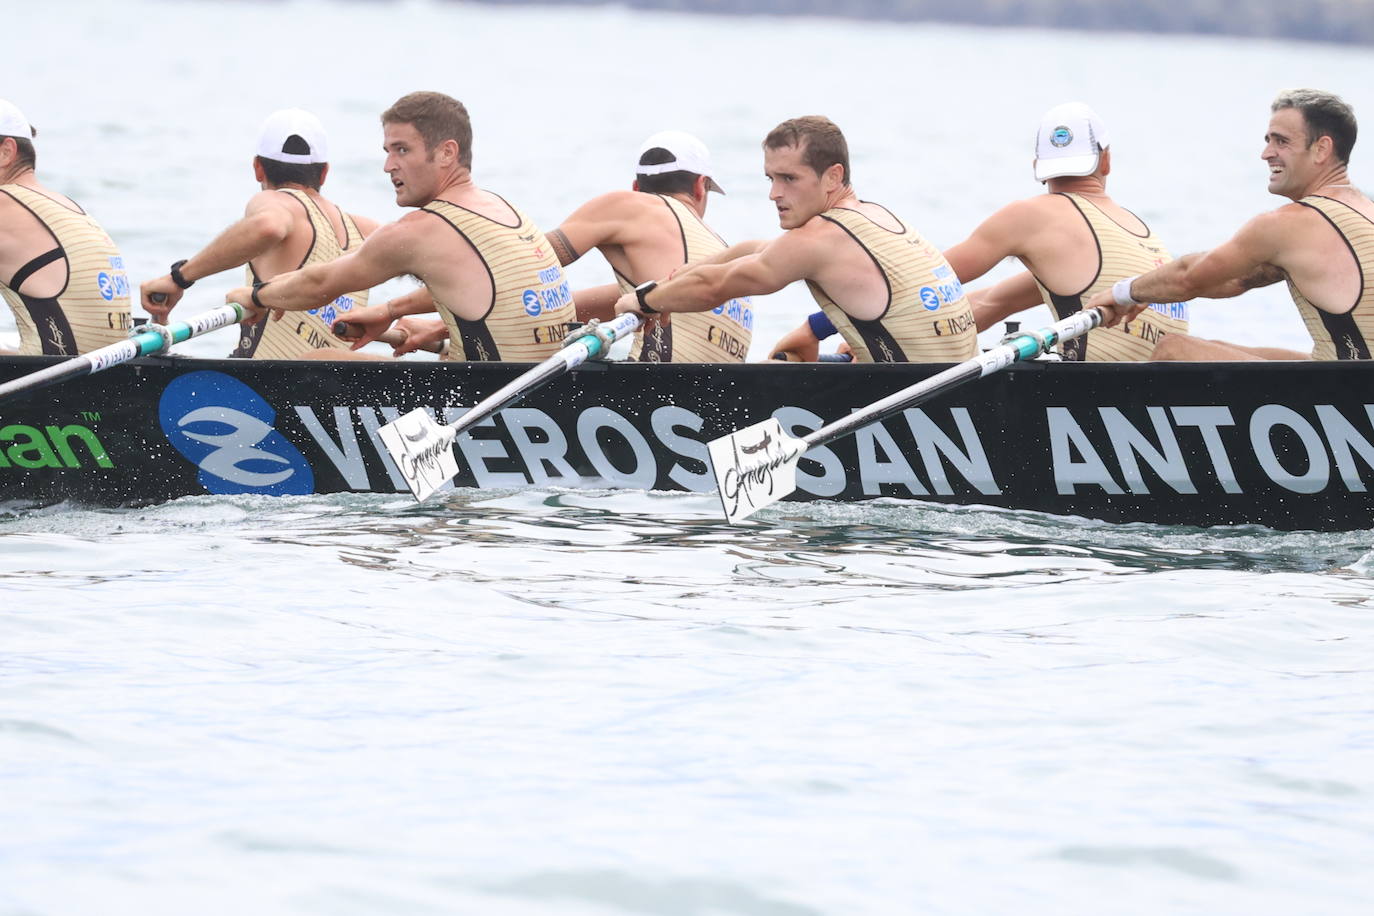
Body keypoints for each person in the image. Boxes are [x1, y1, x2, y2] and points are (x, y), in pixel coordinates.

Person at [228, 91, 574, 362]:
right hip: (536, 382)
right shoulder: (499, 205)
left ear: (446, 153)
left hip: (490, 396)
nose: (387, 166)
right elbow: (475, 288)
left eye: (402, 150)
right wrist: (391, 310)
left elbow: (321, 283)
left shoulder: (419, 231)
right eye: (387, 151)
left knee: (317, 360)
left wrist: (257, 295)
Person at [613, 116, 976, 364]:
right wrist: (672, 279)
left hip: (927, 402)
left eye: (788, 179)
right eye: (770, 178)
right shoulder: (874, 215)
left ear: (833, 177)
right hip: (955, 386)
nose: (774, 193)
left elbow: (717, 287)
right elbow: (756, 251)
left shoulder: (820, 238)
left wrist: (644, 300)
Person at [1088, 89, 1373, 360]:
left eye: (1281, 141)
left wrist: (1122, 293)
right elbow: (1237, 280)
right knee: (1218, 349)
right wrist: (1150, 291)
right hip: (1352, 375)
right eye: (1267, 140)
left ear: (1321, 149)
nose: (1266, 153)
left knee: (1174, 350)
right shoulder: (1362, 210)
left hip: (1358, 392)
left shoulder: (1291, 223)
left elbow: (1188, 277)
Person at [938, 101, 1189, 361]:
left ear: (1037, 166)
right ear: (1106, 160)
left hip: (1094, 390)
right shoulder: (1136, 230)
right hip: (1162, 388)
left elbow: (924, 282)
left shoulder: (1032, 215)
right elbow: (994, 302)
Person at [140, 109, 379, 359]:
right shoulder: (367, 231)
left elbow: (268, 226)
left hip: (265, 384)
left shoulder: (277, 202)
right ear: (324, 173)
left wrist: (179, 278)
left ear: (258, 169)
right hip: (334, 387)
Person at [546, 130, 752, 362]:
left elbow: (527, 259)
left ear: (636, 188)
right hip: (719, 389)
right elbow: (592, 304)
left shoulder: (628, 205)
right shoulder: (720, 250)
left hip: (651, 386)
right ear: (700, 186)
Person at [0, 99, 131, 356]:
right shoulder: (62, 204)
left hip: (53, 383)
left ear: (6, 152)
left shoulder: (4, 205)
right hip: (101, 374)